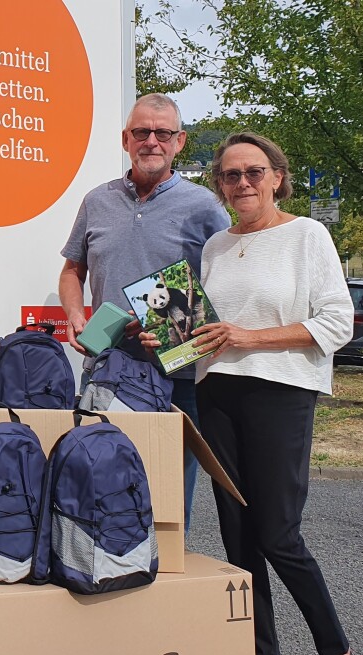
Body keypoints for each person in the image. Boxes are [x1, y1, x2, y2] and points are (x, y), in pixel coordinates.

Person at [146, 132, 356, 655]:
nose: (242, 182)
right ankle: (264, 654)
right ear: (219, 184)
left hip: (281, 391)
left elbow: (337, 323)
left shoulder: (307, 235)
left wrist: (249, 337)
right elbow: (201, 335)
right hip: (216, 393)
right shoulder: (215, 246)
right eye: (231, 174)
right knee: (237, 530)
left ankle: (335, 648)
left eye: (253, 172)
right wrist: (167, 339)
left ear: (277, 177)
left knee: (278, 532)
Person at [58, 93, 230, 533]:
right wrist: (75, 314)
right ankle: (102, 564)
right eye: (141, 132)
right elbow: (72, 271)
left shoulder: (205, 206)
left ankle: (164, 570)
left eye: (163, 133)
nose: (151, 141)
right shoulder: (97, 201)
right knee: (99, 481)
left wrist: (171, 323)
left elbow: (226, 282)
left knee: (168, 494)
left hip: (178, 376)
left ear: (180, 142)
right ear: (125, 139)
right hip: (107, 367)